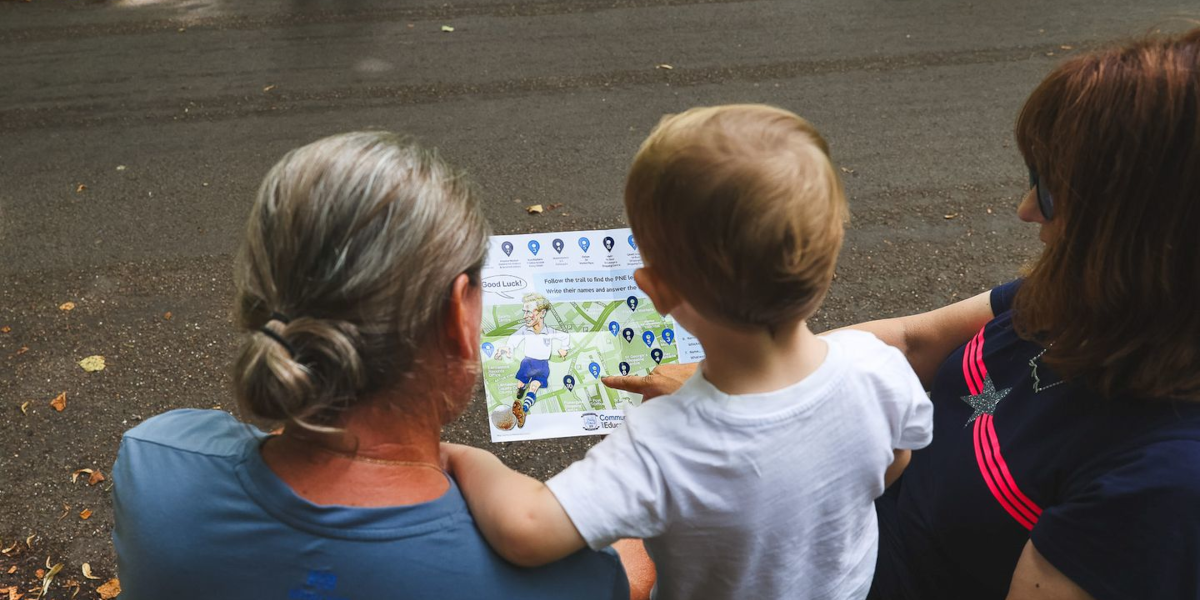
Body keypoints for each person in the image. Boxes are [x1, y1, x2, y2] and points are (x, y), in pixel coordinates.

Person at [607, 30, 1200, 600]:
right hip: (837, 536)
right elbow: (913, 342)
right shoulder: (1095, 294)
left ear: (1144, 237)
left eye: (1049, 192)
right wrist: (752, 385)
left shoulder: (1160, 486)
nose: (1024, 210)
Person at [111, 132, 651, 600]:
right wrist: (675, 445)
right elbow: (631, 579)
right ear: (456, 316)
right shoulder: (559, 579)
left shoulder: (157, 466)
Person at [442, 104, 934, 600]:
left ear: (655, 292)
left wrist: (463, 459)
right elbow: (895, 461)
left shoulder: (662, 443)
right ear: (829, 265)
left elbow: (527, 530)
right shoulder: (877, 367)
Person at [496, 292, 571, 427]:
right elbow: (514, 338)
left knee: (534, 386)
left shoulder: (549, 332)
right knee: (521, 384)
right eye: (524, 312)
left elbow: (565, 336)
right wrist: (508, 348)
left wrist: (564, 348)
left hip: (542, 365)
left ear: (542, 313)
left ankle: (523, 411)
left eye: (529, 312)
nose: (525, 316)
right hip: (527, 363)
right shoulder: (525, 330)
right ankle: (521, 388)